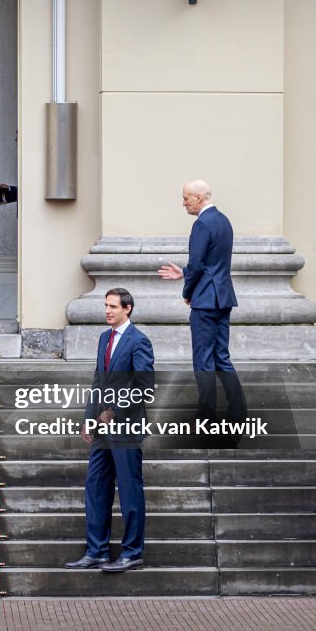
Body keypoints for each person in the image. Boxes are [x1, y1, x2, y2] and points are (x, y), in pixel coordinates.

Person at [66, 288, 154, 574]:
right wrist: (89, 418)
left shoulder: (139, 341)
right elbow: (97, 383)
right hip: (102, 431)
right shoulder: (105, 338)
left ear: (127, 308)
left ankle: (132, 553)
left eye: (113, 306)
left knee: (129, 491)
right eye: (105, 305)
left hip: (126, 429)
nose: (107, 311)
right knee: (95, 488)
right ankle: (97, 552)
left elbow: (144, 387)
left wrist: (113, 411)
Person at [157, 179, 246, 428]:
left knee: (203, 360)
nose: (183, 203)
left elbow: (197, 265)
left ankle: (206, 416)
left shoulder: (201, 224)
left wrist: (187, 291)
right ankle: (238, 408)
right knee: (221, 356)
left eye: (186, 198)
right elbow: (212, 264)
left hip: (205, 301)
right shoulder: (224, 221)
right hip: (223, 298)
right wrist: (184, 273)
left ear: (199, 197)